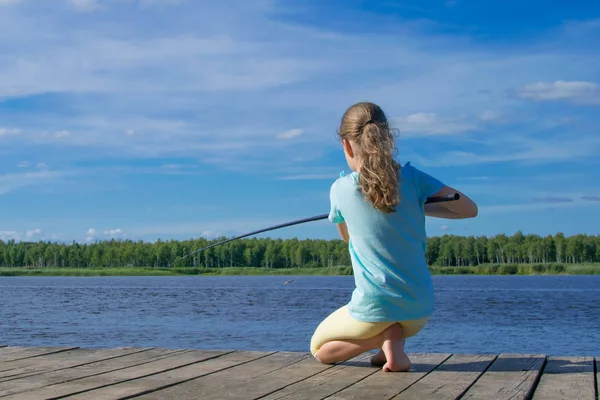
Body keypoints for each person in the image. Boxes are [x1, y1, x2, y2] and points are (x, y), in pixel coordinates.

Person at [309, 101, 478, 372]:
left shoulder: (340, 189)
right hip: (419, 311)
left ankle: (385, 339)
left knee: (320, 349)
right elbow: (469, 209)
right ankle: (387, 347)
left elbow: (349, 240)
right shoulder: (413, 179)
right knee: (388, 316)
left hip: (375, 311)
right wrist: (415, 203)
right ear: (386, 138)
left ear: (346, 145)